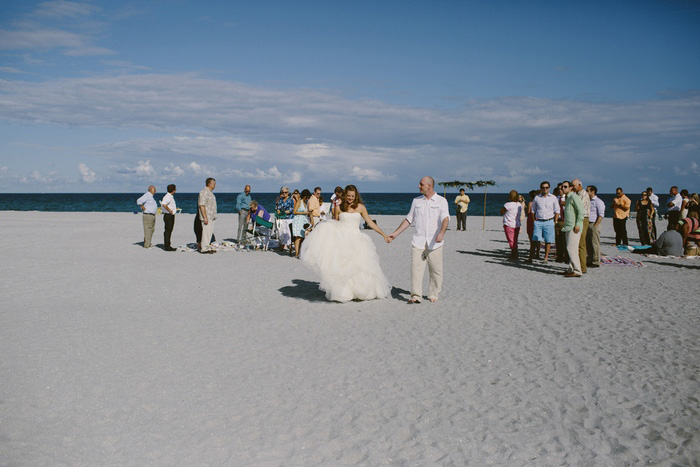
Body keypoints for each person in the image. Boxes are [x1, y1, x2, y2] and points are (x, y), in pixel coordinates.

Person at [301, 185, 391, 302]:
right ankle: (345, 292)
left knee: (359, 266)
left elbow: (370, 222)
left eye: (352, 196)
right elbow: (335, 223)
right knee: (343, 267)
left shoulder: (361, 207)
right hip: (342, 240)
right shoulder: (339, 207)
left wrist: (384, 235)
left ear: (356, 196)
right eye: (348, 195)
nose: (350, 198)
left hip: (357, 239)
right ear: (345, 195)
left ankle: (360, 291)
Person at [388, 176, 449, 303]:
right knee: (416, 270)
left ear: (429, 186)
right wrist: (395, 234)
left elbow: (445, 218)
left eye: (421, 184)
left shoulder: (441, 201)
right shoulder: (416, 201)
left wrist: (442, 233)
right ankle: (416, 296)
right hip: (418, 242)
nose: (418, 186)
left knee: (436, 271)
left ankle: (433, 294)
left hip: (435, 243)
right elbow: (408, 219)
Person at [527, 181, 559, 263]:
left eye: (546, 187)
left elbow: (557, 210)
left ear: (549, 188)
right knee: (535, 240)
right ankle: (531, 257)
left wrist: (554, 221)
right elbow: (533, 210)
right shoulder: (537, 198)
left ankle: (546, 258)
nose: (545, 189)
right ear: (541, 188)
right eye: (543, 187)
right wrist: (534, 220)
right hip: (539, 221)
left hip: (549, 221)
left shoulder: (553, 198)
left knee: (548, 241)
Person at [560, 181, 584, 277]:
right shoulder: (568, 198)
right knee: (570, 248)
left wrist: (578, 224)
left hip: (574, 227)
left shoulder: (574, 197)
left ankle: (577, 270)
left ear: (570, 188)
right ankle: (571, 269)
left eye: (565, 187)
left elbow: (581, 211)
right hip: (568, 226)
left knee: (571, 248)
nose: (563, 189)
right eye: (562, 187)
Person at [572, 179, 590, 274]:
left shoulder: (584, 194)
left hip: (583, 219)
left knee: (581, 243)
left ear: (579, 185)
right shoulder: (577, 194)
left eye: (573, 185)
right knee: (577, 243)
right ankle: (578, 265)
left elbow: (580, 208)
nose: (572, 187)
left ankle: (583, 266)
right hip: (579, 218)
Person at [586, 185, 605, 267]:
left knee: (595, 243)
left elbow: (601, 215)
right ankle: (590, 259)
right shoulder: (587, 201)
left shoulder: (598, 202)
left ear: (592, 192)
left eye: (587, 191)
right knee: (588, 243)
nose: (586, 192)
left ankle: (596, 260)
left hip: (594, 223)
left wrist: (595, 226)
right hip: (587, 223)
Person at [500, 190, 522, 260]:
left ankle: (514, 253)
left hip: (509, 223)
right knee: (515, 239)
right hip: (517, 224)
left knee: (511, 240)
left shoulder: (508, 205)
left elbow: (501, 211)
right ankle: (514, 252)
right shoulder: (519, 204)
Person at [198, 178, 217, 254]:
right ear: (209, 183)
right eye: (214, 183)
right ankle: (204, 248)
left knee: (209, 233)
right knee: (206, 233)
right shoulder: (204, 192)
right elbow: (202, 205)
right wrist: (205, 217)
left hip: (211, 216)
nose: (215, 185)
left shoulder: (210, 193)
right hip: (207, 216)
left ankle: (206, 246)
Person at [291, 189, 312, 258]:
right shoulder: (299, 202)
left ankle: (299, 252)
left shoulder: (305, 203)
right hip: (298, 220)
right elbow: (294, 212)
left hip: (303, 220)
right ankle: (296, 253)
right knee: (298, 237)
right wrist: (305, 213)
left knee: (302, 237)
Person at [275, 186, 295, 251]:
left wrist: (282, 212)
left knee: (289, 232)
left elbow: (291, 210)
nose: (284, 194)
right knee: (282, 232)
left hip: (289, 218)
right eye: (283, 192)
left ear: (288, 193)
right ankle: (283, 244)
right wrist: (281, 212)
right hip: (282, 218)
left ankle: (289, 245)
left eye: (285, 192)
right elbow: (278, 209)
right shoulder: (280, 200)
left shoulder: (290, 200)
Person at [161, 184, 177, 251]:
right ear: (173, 190)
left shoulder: (169, 196)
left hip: (169, 215)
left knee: (169, 230)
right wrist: (169, 210)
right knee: (168, 230)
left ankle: (167, 244)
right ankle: (167, 246)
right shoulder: (168, 196)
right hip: (168, 215)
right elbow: (164, 204)